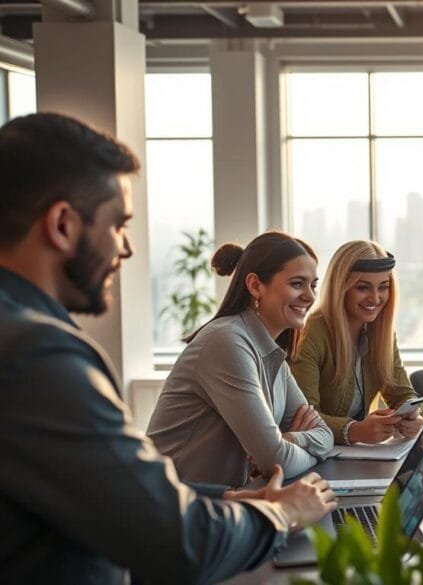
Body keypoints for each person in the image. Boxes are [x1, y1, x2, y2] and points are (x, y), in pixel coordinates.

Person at [0, 113, 335, 584]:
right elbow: (180, 542)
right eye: (118, 225)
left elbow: (105, 487)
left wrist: (227, 499)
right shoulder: (38, 356)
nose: (127, 248)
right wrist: (282, 514)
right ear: (62, 225)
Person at [147, 232, 335, 486]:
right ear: (255, 285)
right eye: (297, 284)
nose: (310, 297)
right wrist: (284, 448)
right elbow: (276, 461)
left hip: (223, 505)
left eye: (312, 285)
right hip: (176, 512)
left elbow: (324, 435)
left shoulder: (270, 350)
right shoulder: (226, 342)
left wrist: (292, 440)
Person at [291, 240, 423, 445]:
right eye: (362, 287)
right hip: (317, 454)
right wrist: (353, 431)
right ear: (341, 287)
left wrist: (412, 417)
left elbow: (401, 392)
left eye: (383, 287)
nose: (375, 298)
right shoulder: (311, 333)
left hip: (354, 455)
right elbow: (304, 416)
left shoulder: (382, 332)